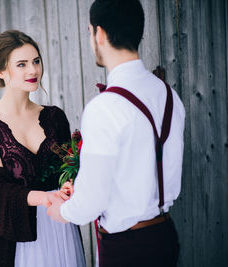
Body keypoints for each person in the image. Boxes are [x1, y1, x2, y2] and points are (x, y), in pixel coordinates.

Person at [47, 0, 185, 266]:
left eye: (89, 33)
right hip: (165, 235)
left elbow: (93, 200)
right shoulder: (169, 96)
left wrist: (62, 211)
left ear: (99, 33)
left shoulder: (105, 107)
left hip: (127, 247)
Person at [0, 30, 86, 267]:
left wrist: (70, 183)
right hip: (16, 235)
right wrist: (43, 197)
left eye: (36, 61)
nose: (33, 70)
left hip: (60, 226)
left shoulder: (55, 117)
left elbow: (69, 169)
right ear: (1, 72)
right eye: (21, 64)